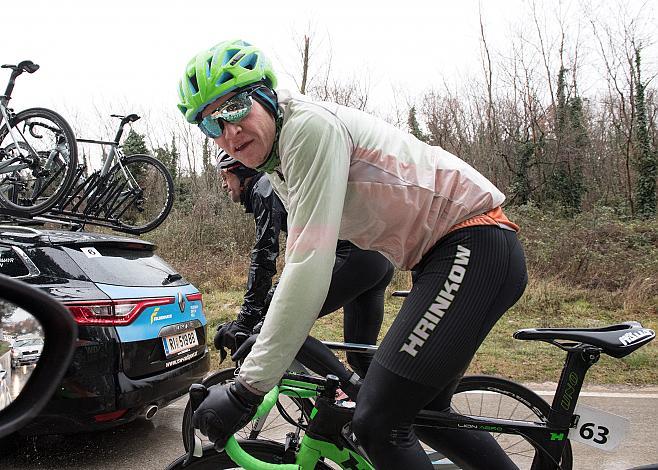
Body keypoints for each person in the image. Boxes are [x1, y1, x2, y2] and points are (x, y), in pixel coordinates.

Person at [178, 40, 528, 469]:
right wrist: (271, 336)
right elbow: (299, 260)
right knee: (425, 416)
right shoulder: (279, 159)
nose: (228, 132)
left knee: (378, 423)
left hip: (472, 244)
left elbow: (309, 264)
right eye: (211, 125)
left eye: (234, 107)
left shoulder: (308, 129)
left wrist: (246, 389)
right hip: (447, 256)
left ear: (267, 94)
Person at [213, 150, 394, 377]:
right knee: (360, 357)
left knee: (279, 325)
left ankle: (336, 394)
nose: (223, 186)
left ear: (241, 171)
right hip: (375, 259)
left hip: (351, 256)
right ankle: (393, 407)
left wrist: (245, 319)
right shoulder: (278, 184)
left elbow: (264, 254)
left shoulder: (264, 186)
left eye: (224, 177)